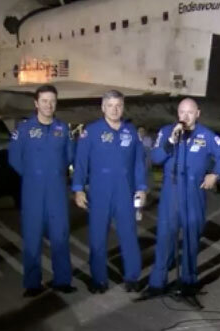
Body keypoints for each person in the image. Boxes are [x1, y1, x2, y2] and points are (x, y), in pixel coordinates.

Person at [142, 98, 220, 298]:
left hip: (194, 192)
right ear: (177, 113)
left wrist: (215, 175)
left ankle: (189, 282)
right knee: (165, 237)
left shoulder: (206, 135)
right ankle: (157, 283)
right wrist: (171, 141)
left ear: (197, 113)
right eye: (182, 112)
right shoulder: (167, 132)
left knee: (191, 238)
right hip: (171, 192)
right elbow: (156, 158)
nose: (185, 116)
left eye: (190, 112)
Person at [72, 90, 147, 293]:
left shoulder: (131, 132)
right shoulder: (92, 131)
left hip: (125, 192)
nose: (115, 110)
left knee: (129, 236)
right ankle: (99, 280)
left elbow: (139, 163)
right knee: (97, 237)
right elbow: (81, 162)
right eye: (110, 105)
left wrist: (142, 188)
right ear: (103, 107)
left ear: (123, 107)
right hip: (99, 192)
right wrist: (78, 189)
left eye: (119, 106)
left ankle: (132, 277)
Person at [8, 85, 76, 297]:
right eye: (45, 101)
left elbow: (69, 156)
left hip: (56, 190)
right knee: (32, 237)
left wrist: (55, 173)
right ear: (36, 103)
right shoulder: (24, 129)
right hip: (33, 191)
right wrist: (32, 175)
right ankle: (32, 283)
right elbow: (14, 158)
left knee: (60, 236)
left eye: (53, 101)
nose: (49, 105)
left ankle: (62, 280)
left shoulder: (62, 129)